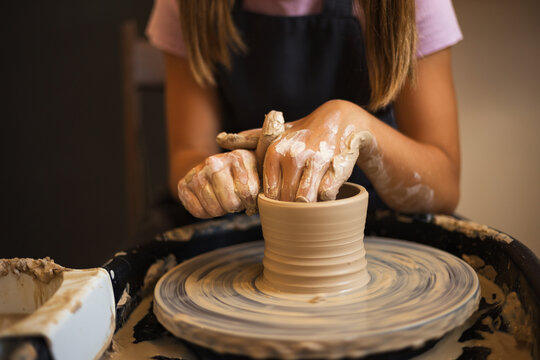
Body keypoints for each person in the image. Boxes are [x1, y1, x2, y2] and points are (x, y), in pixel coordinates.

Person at [146, 0, 463, 219]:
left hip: (373, 221)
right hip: (242, 220)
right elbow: (187, 153)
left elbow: (444, 186)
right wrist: (228, 175)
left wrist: (352, 123)